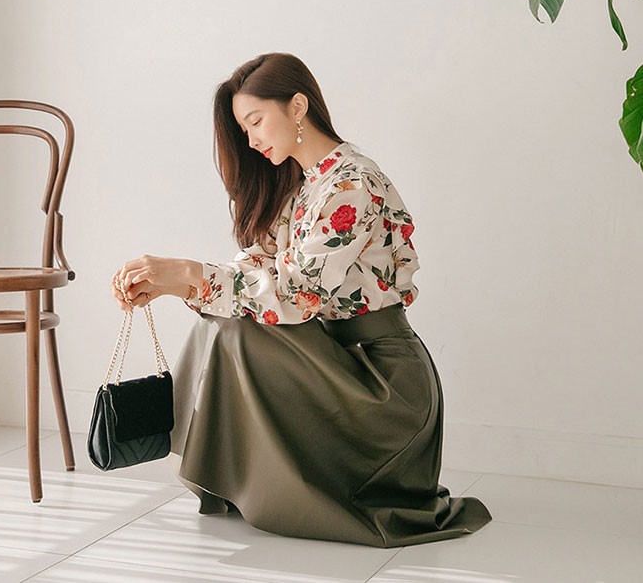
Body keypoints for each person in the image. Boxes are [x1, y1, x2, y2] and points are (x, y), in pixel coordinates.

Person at [112, 52, 491, 547]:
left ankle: (257, 477)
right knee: (221, 321)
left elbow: (297, 293)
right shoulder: (303, 188)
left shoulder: (351, 183)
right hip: (330, 361)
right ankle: (239, 478)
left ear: (297, 106)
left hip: (380, 383)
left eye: (255, 121)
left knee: (237, 328)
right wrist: (171, 284)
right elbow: (256, 271)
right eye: (243, 129)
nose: (251, 140)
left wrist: (186, 274)